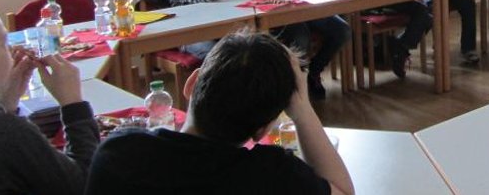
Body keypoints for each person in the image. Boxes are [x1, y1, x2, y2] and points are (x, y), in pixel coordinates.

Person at [85, 32, 354, 195]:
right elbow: (342, 190)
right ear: (263, 130)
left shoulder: (118, 154)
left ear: (191, 84)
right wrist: (302, 110)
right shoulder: (274, 176)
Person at [0, 15, 101, 195]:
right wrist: (73, 104)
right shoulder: (7, 132)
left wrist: (7, 103)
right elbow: (86, 184)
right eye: (4, 43)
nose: (12, 49)